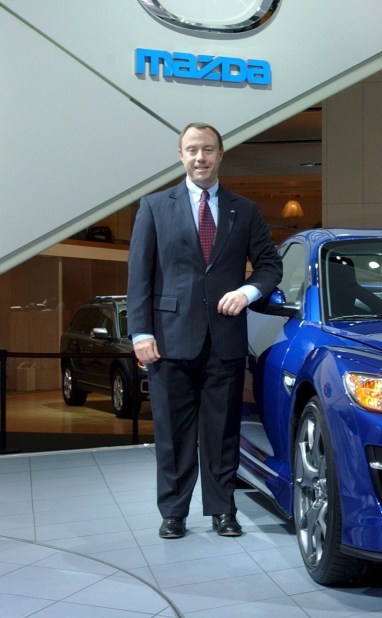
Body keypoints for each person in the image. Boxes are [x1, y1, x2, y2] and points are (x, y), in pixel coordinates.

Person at [127, 122, 282, 539]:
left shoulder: (244, 209)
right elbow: (139, 275)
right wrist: (140, 333)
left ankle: (222, 511)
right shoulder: (155, 206)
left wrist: (248, 291)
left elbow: (270, 264)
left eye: (208, 149)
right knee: (173, 437)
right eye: (192, 149)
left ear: (220, 154)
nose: (200, 157)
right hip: (169, 340)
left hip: (225, 340)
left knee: (222, 433)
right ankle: (173, 513)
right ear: (181, 155)